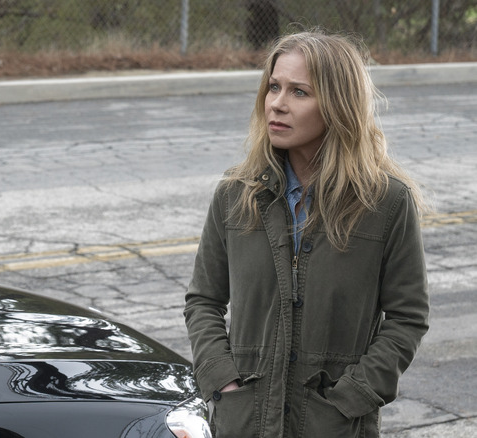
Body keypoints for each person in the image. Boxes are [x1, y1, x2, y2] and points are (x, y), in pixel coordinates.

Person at [183, 30, 429, 437]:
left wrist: (351, 398)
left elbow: (407, 318)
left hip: (335, 425)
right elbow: (203, 300)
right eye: (274, 87)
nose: (277, 104)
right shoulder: (236, 194)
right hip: (245, 421)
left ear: (337, 104)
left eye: (299, 92)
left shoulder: (386, 203)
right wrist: (222, 381)